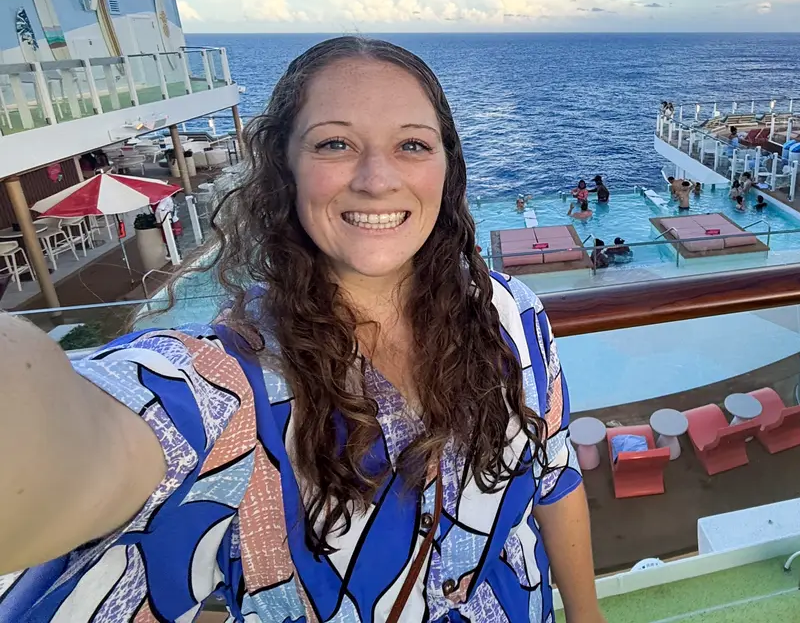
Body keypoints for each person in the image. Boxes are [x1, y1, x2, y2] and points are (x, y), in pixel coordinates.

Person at [0, 37, 603, 623]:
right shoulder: (232, 389)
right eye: (335, 143)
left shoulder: (512, 315)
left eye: (412, 145)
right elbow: (82, 446)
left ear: (447, 165)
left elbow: (554, 476)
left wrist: (587, 614)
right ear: (283, 168)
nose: (376, 179)